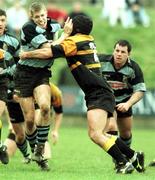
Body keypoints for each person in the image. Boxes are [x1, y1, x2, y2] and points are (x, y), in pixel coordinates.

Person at [19, 15, 145, 174]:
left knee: (95, 134)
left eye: (68, 23)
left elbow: (48, 53)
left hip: (98, 92)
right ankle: (133, 156)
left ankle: (122, 163)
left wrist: (26, 54)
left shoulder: (74, 42)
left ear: (74, 28)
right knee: (103, 133)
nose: (66, 24)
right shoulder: (87, 39)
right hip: (99, 91)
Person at [13, 2, 61, 171]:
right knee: (30, 119)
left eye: (43, 16)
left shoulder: (54, 24)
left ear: (46, 13)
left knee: (46, 108)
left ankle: (40, 151)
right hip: (24, 74)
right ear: (31, 17)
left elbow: (58, 46)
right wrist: (62, 39)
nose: (41, 20)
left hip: (42, 74)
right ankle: (34, 150)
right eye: (37, 17)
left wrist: (26, 54)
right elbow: (48, 49)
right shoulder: (28, 28)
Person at [99, 39, 146, 148]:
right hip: (108, 100)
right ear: (113, 51)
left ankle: (126, 156)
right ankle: (118, 158)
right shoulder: (101, 61)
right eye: (117, 50)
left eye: (123, 52)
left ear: (129, 54)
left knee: (126, 133)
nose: (119, 54)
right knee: (111, 127)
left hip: (124, 101)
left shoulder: (134, 68)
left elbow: (139, 90)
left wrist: (128, 104)